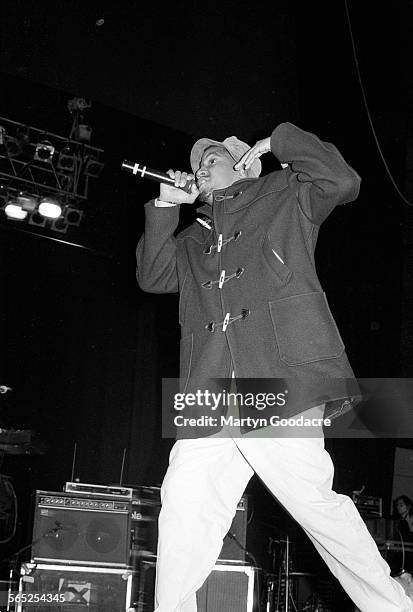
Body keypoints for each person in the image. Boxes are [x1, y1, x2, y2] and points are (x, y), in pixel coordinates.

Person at [136, 122, 413, 611]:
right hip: (209, 392)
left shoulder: (284, 193)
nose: (202, 166)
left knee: (314, 507)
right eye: (199, 162)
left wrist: (275, 142)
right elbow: (153, 276)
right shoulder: (193, 239)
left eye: (214, 157)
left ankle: (391, 604)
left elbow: (343, 182)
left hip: (275, 379)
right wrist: (164, 206)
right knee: (183, 508)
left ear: (243, 163)